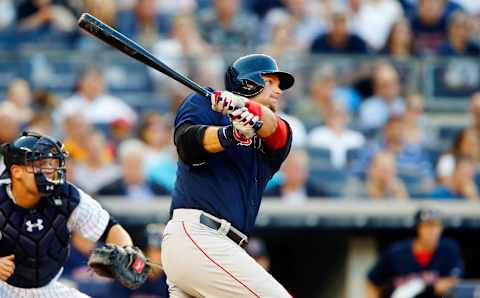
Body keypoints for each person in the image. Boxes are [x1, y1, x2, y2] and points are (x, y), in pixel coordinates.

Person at [161, 54, 294, 297]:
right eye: (271, 82)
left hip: (224, 248)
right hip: (199, 235)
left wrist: (243, 107)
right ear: (249, 82)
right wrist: (230, 135)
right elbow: (187, 144)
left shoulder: (274, 133)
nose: (278, 91)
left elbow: (277, 130)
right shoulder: (205, 102)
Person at [0, 131, 137, 297]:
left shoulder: (66, 195)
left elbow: (110, 228)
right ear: (16, 171)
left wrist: (127, 251)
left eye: (52, 163)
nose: (49, 170)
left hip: (48, 289)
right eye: (41, 163)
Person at [365, 208, 464, 298]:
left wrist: (422, 286)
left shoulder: (448, 249)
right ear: (418, 228)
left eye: (436, 225)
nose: (432, 231)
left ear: (441, 228)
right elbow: (372, 280)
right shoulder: (396, 252)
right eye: (427, 226)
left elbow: (454, 282)